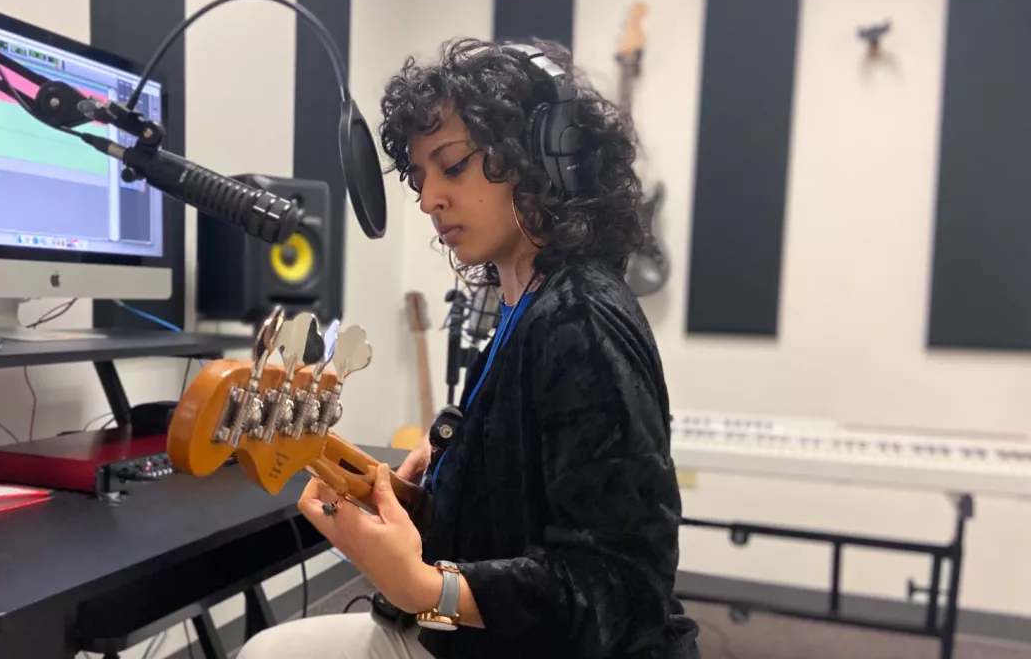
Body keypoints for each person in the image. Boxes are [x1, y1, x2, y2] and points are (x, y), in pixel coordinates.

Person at [236, 37, 701, 659]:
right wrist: (456, 463)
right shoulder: (525, 304)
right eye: (421, 177)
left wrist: (428, 588)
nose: (429, 199)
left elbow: (623, 587)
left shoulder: (580, 317)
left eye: (452, 166)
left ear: (543, 155)